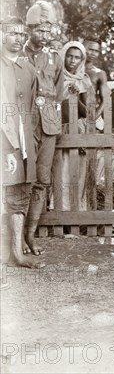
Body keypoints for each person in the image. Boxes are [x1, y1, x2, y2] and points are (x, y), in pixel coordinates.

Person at [0, 17, 43, 268]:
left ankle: (17, 254)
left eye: (21, 34)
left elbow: (32, 108)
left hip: (23, 141)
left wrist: (29, 141)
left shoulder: (27, 69)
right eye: (12, 33)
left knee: (19, 194)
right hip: (2, 141)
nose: (18, 38)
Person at [22, 0, 65, 255]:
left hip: (48, 124)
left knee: (41, 180)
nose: (45, 35)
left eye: (48, 31)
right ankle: (14, 237)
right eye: (40, 30)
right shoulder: (16, 54)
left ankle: (30, 236)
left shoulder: (55, 58)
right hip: (23, 122)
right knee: (19, 180)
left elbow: (58, 94)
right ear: (29, 29)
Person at [57, 41, 94, 211]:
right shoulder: (55, 76)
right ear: (63, 55)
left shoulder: (83, 80)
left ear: (82, 60)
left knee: (76, 172)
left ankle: (76, 212)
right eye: (69, 56)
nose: (73, 60)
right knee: (60, 172)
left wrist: (75, 95)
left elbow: (88, 111)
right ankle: (59, 211)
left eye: (77, 57)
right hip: (58, 128)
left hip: (77, 129)